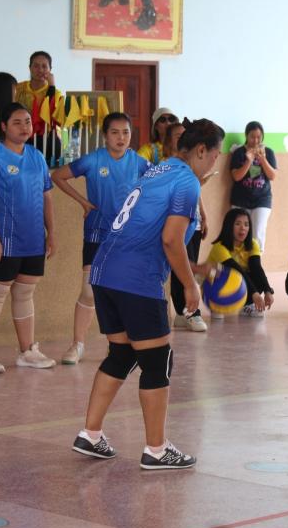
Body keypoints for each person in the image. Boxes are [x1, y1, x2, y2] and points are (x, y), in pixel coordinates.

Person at [72, 118, 224, 470]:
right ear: (202, 151)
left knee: (122, 353)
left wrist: (193, 269)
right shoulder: (187, 182)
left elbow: (150, 232)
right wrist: (190, 284)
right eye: (216, 155)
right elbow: (170, 239)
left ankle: (90, 434)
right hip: (135, 279)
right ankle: (157, 449)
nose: (215, 162)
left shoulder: (159, 170)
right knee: (157, 361)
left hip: (104, 270)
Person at [52, 112, 148, 365]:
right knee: (88, 291)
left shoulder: (139, 162)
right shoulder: (93, 160)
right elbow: (57, 176)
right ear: (105, 135)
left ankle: (118, 346)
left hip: (126, 237)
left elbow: (157, 185)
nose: (121, 138)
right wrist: (83, 202)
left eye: (126, 132)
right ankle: (77, 345)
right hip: (96, 234)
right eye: (115, 132)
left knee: (122, 291)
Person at [0, 103, 57, 373]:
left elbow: (47, 197)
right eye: (17, 122)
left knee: (25, 293)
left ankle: (27, 351)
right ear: (4, 126)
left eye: (28, 122)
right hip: (4, 241)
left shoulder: (37, 157)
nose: (24, 127)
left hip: (33, 240)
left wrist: (51, 234)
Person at [164, 122, 209, 333]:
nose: (183, 138)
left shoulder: (190, 170)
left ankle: (183, 313)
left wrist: (204, 215)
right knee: (182, 265)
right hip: (176, 223)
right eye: (178, 135)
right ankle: (191, 312)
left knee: (186, 264)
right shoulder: (167, 166)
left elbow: (196, 192)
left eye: (186, 134)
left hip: (194, 222)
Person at [207, 208, 274, 319]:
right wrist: (255, 294)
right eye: (238, 224)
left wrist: (267, 290)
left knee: (255, 276)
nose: (243, 228)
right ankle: (216, 304)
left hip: (236, 279)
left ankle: (247, 305)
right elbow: (236, 270)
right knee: (229, 275)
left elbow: (257, 268)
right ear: (229, 226)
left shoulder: (253, 244)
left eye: (246, 224)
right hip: (214, 282)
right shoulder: (219, 247)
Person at [230, 121, 277, 251]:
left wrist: (263, 159)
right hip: (240, 199)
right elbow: (236, 177)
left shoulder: (268, 152)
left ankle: (255, 260)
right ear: (246, 136)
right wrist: (249, 161)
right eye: (252, 137)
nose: (255, 141)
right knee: (239, 233)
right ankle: (238, 260)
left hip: (262, 199)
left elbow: (272, 176)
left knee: (258, 233)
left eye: (259, 137)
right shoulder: (239, 153)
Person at [15, 51, 63, 163]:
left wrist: (51, 86)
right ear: (30, 68)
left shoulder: (56, 93)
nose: (40, 70)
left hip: (47, 141)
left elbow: (51, 116)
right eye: (36, 66)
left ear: (50, 69)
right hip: (22, 138)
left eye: (44, 66)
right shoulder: (19, 88)